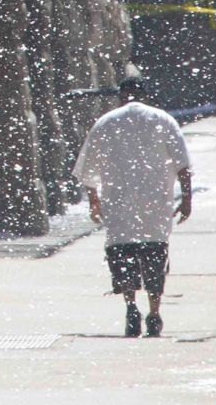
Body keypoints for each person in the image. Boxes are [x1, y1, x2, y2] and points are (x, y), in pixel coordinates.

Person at [74, 77, 192, 338]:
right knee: (155, 256)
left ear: (121, 96)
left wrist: (94, 201)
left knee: (123, 256)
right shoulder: (163, 120)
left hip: (119, 205)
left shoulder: (105, 123)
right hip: (155, 206)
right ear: (145, 95)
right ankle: (154, 312)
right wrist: (187, 199)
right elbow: (183, 165)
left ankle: (130, 307)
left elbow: (87, 170)